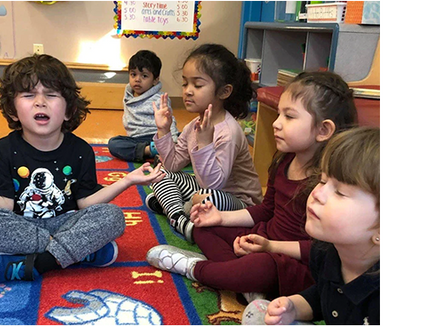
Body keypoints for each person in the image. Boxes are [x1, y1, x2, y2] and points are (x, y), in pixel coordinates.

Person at [0, 54, 165, 282]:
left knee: (112, 216)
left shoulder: (80, 150)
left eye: (51, 95)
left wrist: (127, 181)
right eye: (28, 95)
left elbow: (86, 203)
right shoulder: (2, 150)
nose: (40, 102)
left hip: (67, 223)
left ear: (69, 109)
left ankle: (37, 265)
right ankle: (81, 253)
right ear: (12, 110)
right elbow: (4, 206)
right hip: (23, 228)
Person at [146, 71, 359, 300]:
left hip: (291, 261)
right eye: (279, 115)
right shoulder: (285, 159)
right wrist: (220, 218)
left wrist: (270, 247)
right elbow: (266, 211)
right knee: (204, 227)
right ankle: (243, 282)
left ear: (323, 130)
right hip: (263, 240)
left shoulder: (329, 185)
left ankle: (194, 268)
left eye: (289, 117)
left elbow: (321, 250)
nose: (276, 124)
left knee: (260, 268)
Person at [255, 127, 380, 325]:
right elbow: (323, 298)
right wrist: (292, 307)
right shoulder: (324, 252)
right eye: (322, 181)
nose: (317, 194)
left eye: (340, 192)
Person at [147, 43, 262, 241]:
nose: (188, 91)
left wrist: (205, 143)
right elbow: (173, 164)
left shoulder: (229, 132)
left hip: (237, 202)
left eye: (197, 85)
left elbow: (214, 185)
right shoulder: (195, 125)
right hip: (202, 187)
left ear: (224, 92)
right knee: (160, 174)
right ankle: (181, 218)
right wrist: (163, 130)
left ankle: (175, 205)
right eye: (185, 84)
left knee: (207, 197)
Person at [110, 50, 175, 163]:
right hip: (137, 140)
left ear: (155, 80)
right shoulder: (128, 96)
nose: (137, 79)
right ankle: (150, 151)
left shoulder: (160, 99)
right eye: (133, 74)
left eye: (144, 76)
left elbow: (170, 121)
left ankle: (161, 151)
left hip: (158, 136)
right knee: (113, 143)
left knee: (186, 139)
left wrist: (172, 140)